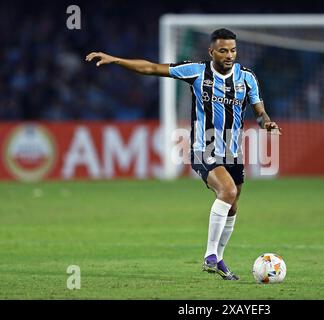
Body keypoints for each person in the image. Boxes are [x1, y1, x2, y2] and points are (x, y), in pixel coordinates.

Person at [86, 28, 280, 280]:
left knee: (232, 207)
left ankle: (219, 258)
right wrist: (117, 60)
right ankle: (210, 255)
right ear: (212, 52)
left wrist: (266, 122)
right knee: (228, 192)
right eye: (223, 50)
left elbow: (260, 111)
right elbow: (152, 68)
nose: (229, 55)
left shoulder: (247, 77)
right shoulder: (196, 71)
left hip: (234, 152)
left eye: (232, 50)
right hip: (204, 148)